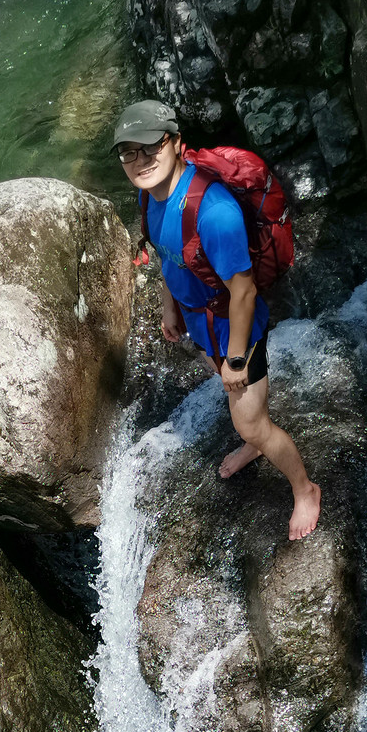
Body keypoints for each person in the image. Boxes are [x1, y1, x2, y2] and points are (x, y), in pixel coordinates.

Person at [113, 100, 320, 541]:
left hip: (235, 330)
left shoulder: (215, 212)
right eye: (128, 151)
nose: (140, 160)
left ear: (176, 144)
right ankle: (252, 441)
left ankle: (304, 489)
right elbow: (169, 257)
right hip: (199, 322)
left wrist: (239, 360)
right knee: (229, 393)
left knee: (251, 420)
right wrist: (171, 306)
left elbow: (244, 291)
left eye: (151, 146)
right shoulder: (148, 193)